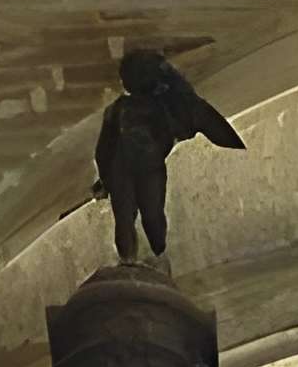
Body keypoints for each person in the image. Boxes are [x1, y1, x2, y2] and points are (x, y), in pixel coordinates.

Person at [93, 48, 244, 261]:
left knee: (130, 218)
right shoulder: (161, 105)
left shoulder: (120, 109)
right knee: (148, 216)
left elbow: (103, 150)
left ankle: (135, 261)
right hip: (143, 170)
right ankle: (154, 256)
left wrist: (105, 179)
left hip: (129, 171)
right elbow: (104, 148)